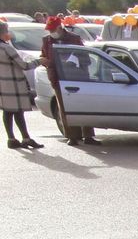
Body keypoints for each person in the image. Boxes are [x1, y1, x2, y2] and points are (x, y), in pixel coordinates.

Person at [40, 16, 97, 146]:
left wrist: (74, 59)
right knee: (64, 108)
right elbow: (43, 55)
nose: (51, 33)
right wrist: (45, 61)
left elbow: (86, 58)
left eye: (53, 29)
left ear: (60, 28)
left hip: (77, 77)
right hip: (58, 79)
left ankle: (88, 135)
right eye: (49, 30)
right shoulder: (46, 40)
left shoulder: (74, 38)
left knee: (83, 106)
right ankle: (72, 136)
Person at [0, 21, 44, 149]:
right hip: (13, 84)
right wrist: (39, 61)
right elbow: (23, 65)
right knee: (18, 112)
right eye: (7, 30)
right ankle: (26, 138)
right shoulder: (7, 48)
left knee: (8, 112)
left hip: (3, 84)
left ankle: (11, 138)